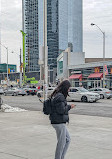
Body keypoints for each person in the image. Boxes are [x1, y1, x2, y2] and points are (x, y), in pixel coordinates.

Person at [50, 80, 75, 159]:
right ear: (65, 87)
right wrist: (70, 107)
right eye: (68, 88)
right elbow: (61, 110)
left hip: (58, 121)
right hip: (59, 122)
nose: (69, 90)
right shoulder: (60, 96)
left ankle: (61, 157)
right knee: (61, 143)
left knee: (67, 139)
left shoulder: (58, 95)